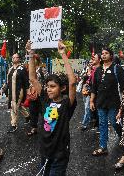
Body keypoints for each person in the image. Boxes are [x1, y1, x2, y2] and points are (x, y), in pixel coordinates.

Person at [26, 40, 77, 175]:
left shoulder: (66, 104)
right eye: (47, 86)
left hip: (59, 154)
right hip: (45, 151)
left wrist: (63, 54)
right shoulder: (45, 99)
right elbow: (32, 78)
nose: (48, 89)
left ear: (63, 88)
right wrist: (31, 54)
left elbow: (72, 82)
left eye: (53, 86)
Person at [90, 48, 124, 156]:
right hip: (100, 102)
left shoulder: (117, 68)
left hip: (113, 102)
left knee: (115, 123)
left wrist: (123, 105)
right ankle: (103, 147)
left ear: (111, 55)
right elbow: (94, 87)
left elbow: (123, 87)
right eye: (102, 53)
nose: (104, 55)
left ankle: (123, 137)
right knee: (102, 124)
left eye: (106, 53)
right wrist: (92, 100)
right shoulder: (98, 70)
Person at [0, 53, 30, 133]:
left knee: (14, 106)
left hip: (19, 91)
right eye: (13, 57)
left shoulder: (22, 69)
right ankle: (27, 116)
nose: (14, 59)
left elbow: (26, 81)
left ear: (19, 59)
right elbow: (7, 81)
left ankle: (14, 125)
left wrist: (28, 92)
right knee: (17, 106)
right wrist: (2, 89)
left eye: (16, 57)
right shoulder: (10, 69)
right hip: (11, 91)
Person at [27, 54, 46, 136]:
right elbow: (28, 82)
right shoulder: (29, 70)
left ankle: (46, 128)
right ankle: (33, 128)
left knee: (43, 111)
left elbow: (46, 81)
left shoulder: (42, 69)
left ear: (37, 60)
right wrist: (28, 89)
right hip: (32, 94)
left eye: (34, 59)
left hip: (41, 94)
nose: (32, 61)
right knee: (32, 111)